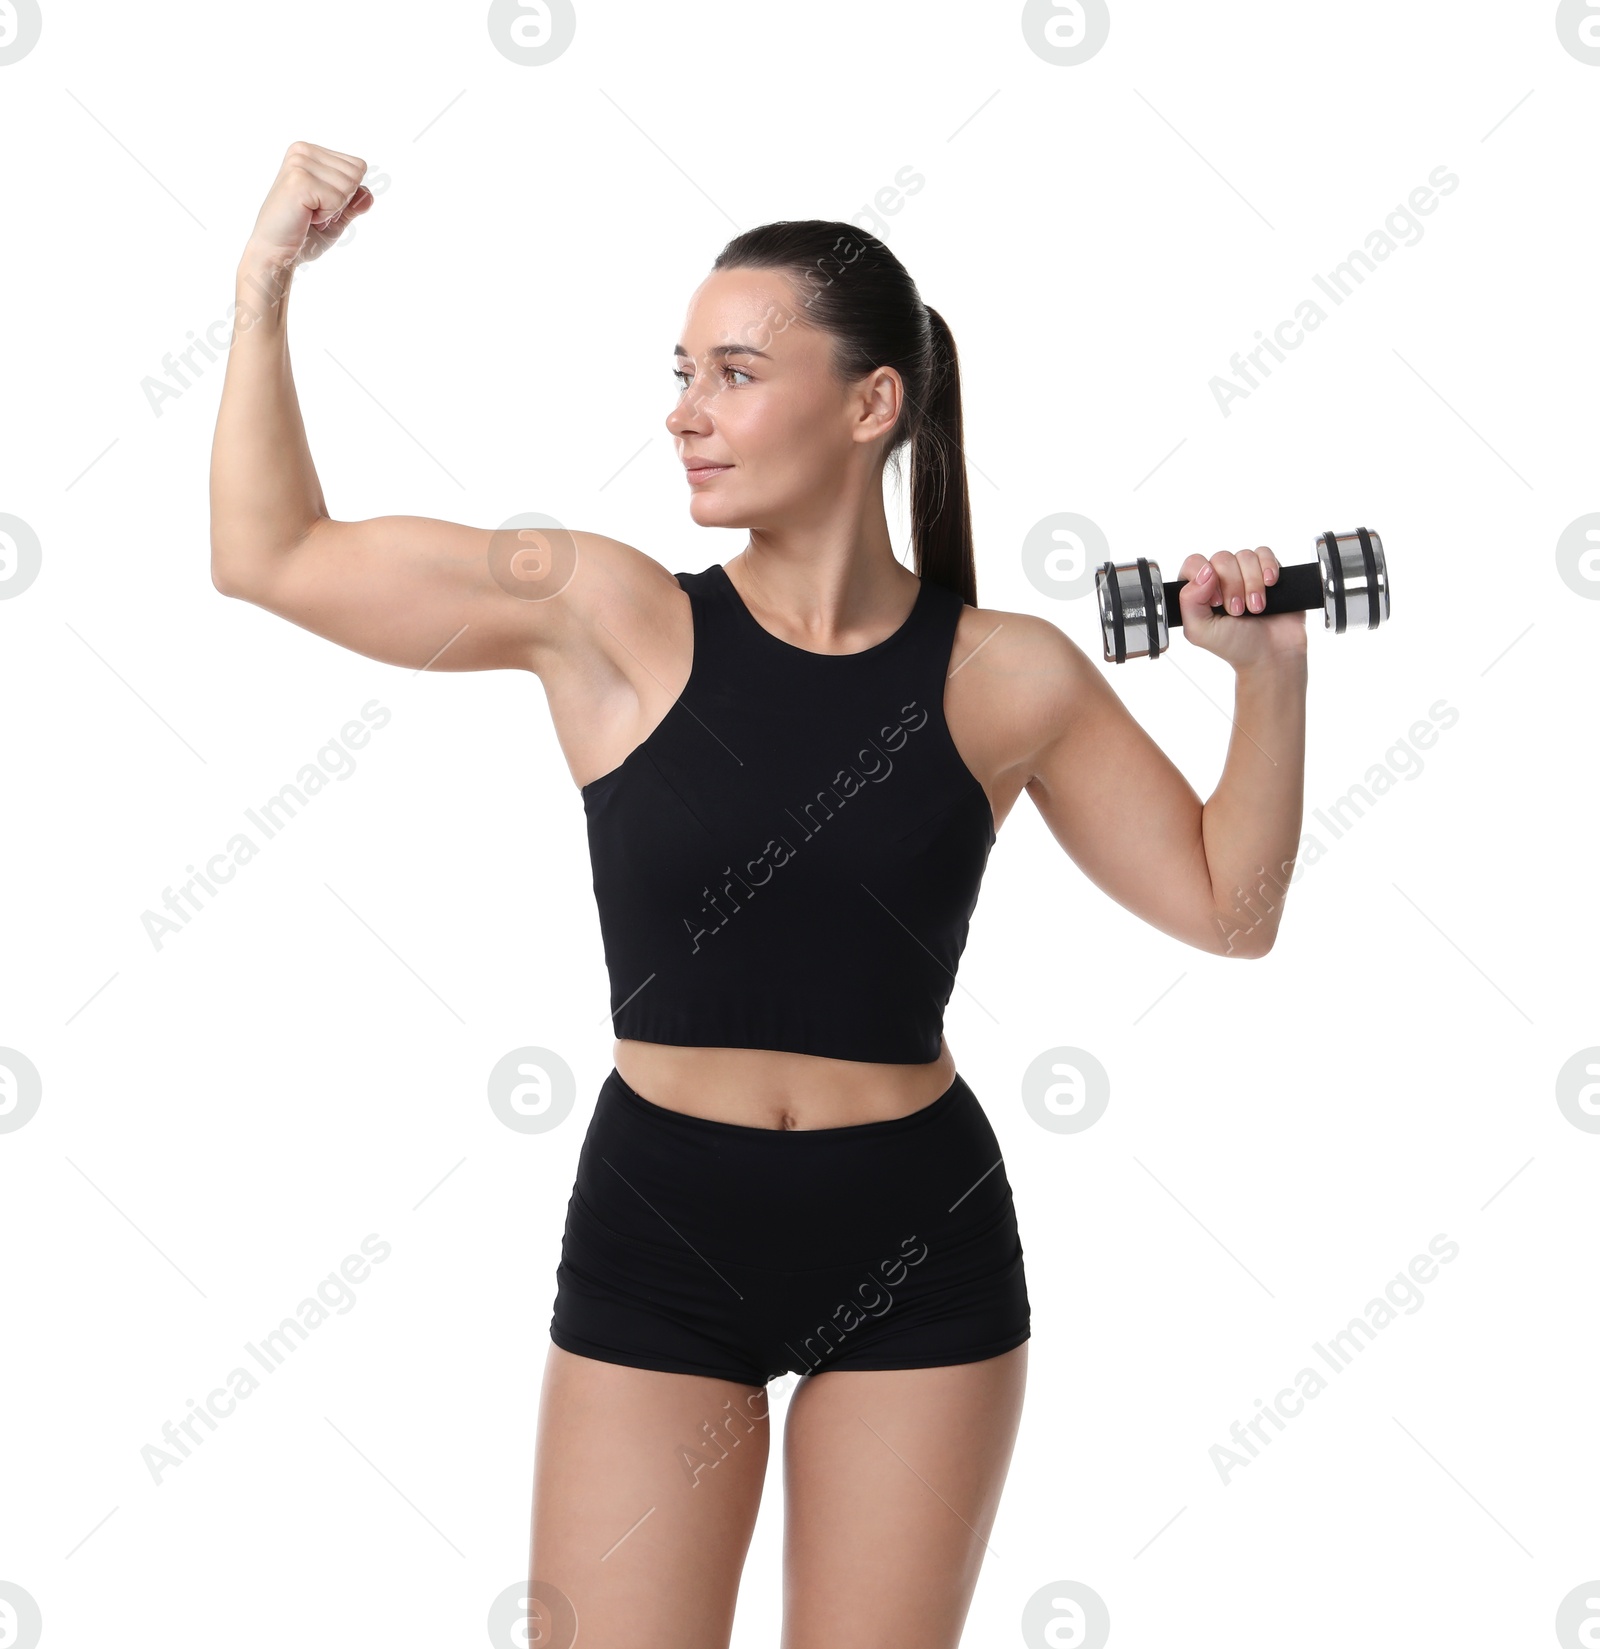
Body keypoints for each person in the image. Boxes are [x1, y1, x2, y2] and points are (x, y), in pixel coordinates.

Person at [210, 142, 1308, 1649]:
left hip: (917, 1240)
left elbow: (1226, 909)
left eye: (733, 371)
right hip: (665, 1229)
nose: (684, 410)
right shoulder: (604, 613)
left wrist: (1268, 682)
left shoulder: (1010, 672)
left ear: (874, 405)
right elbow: (270, 555)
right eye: (682, 370)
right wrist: (267, 278)